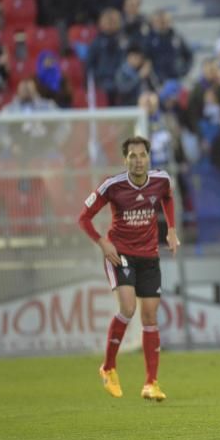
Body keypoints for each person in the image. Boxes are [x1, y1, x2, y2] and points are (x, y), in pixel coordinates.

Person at [77, 136, 180, 402]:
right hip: (120, 255)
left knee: (150, 317)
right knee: (128, 308)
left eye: (142, 155)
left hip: (149, 256)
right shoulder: (112, 185)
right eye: (132, 156)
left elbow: (168, 199)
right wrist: (102, 243)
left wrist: (171, 229)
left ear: (148, 157)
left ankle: (151, 383)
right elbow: (84, 217)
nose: (138, 160)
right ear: (125, 160)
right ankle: (109, 367)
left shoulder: (161, 180)